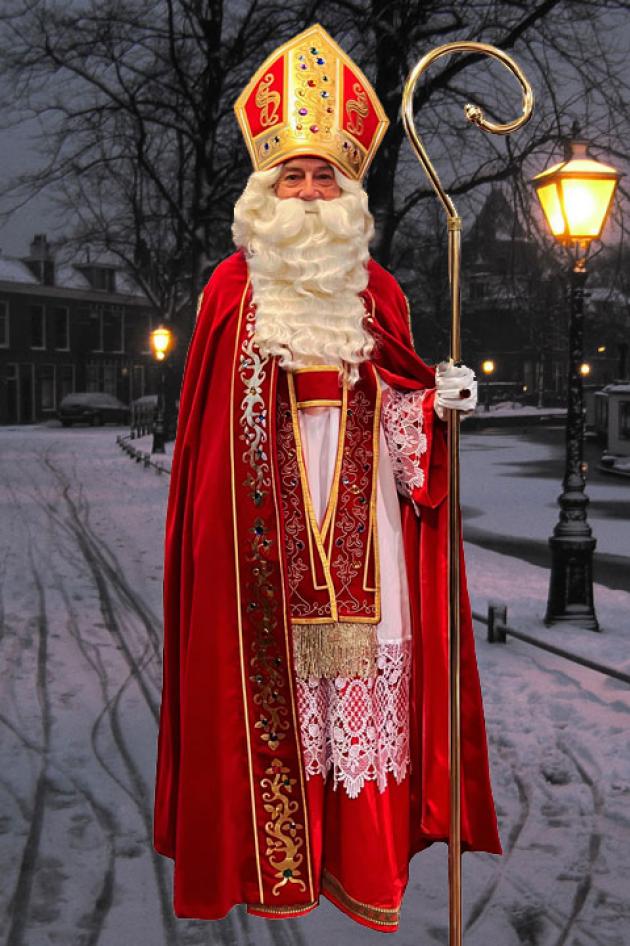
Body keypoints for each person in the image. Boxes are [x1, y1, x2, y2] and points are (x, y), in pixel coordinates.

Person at [153, 24, 502, 933]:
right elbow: (208, 441)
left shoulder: (376, 290)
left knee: (354, 712)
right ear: (265, 191)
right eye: (292, 177)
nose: (309, 194)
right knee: (268, 706)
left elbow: (399, 422)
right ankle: (272, 862)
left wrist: (437, 404)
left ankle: (357, 859)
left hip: (365, 538)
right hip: (257, 540)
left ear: (349, 192)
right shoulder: (232, 290)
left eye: (324, 178)